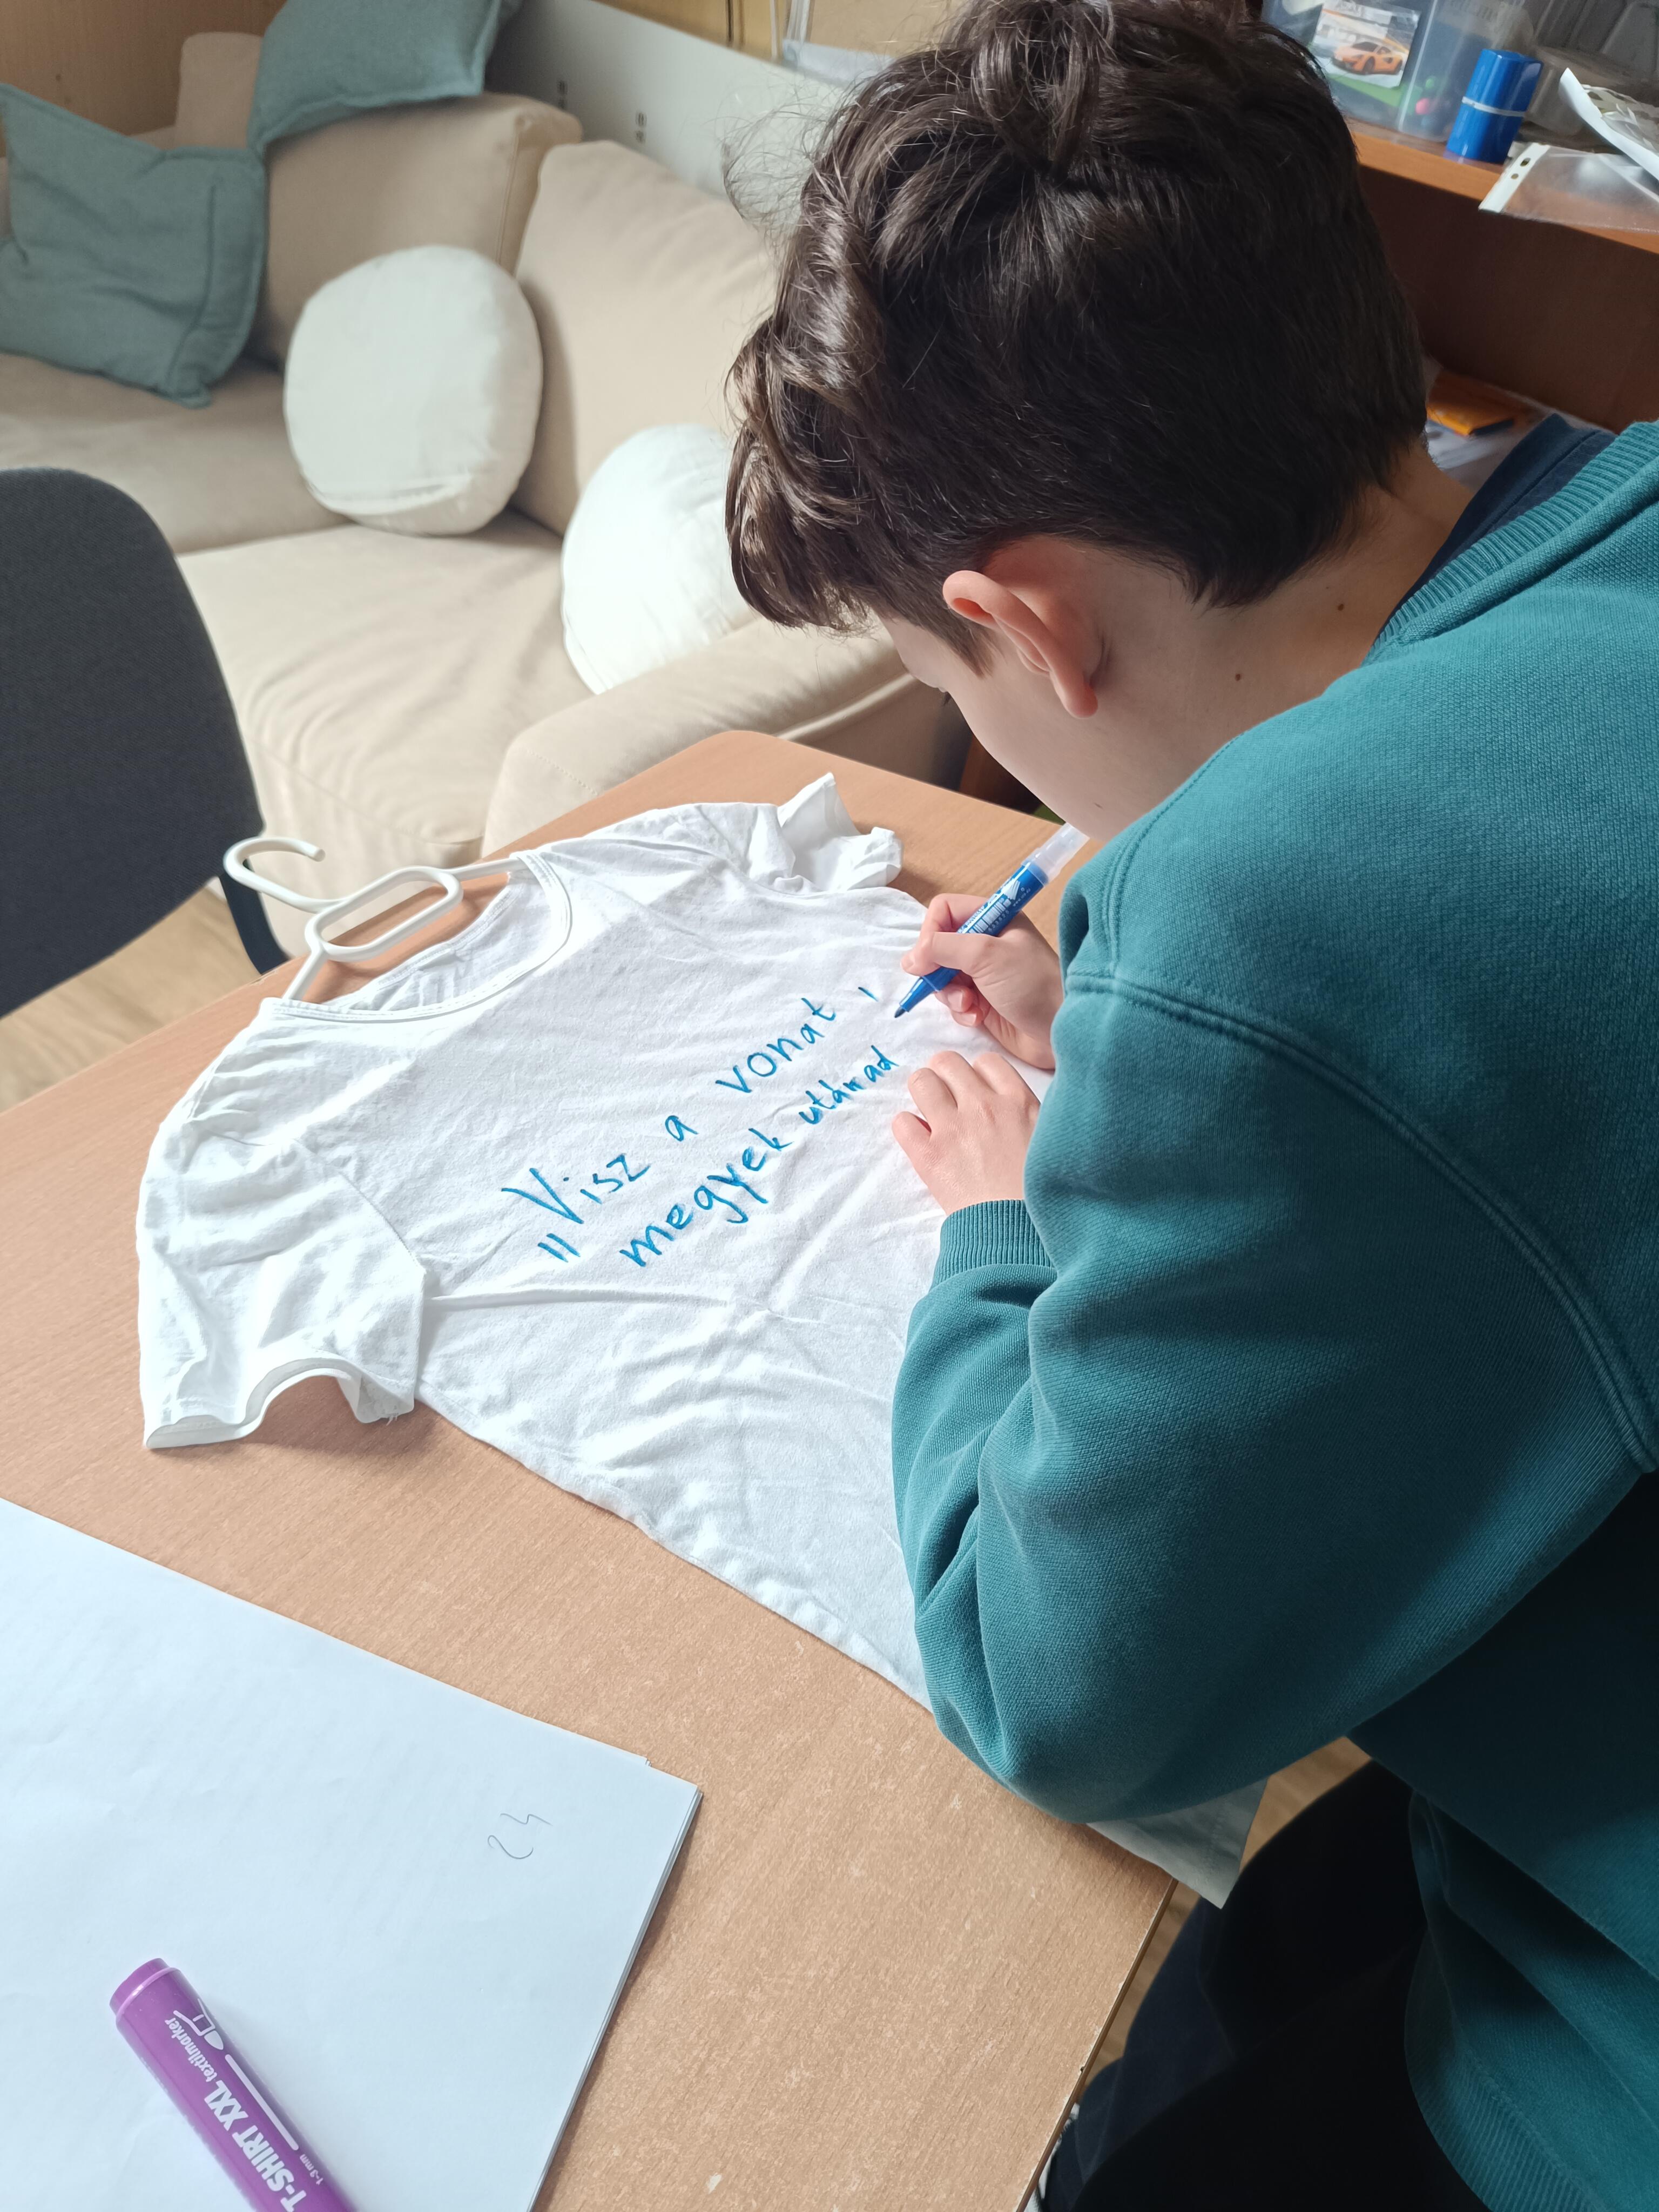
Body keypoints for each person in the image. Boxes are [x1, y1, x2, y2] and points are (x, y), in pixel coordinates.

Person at [723, 2, 1659, 2206]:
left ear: (1031, 628)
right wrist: (1151, 978)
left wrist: (1010, 1210)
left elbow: (1058, 1688)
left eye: (962, 696)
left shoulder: (1283, 923)